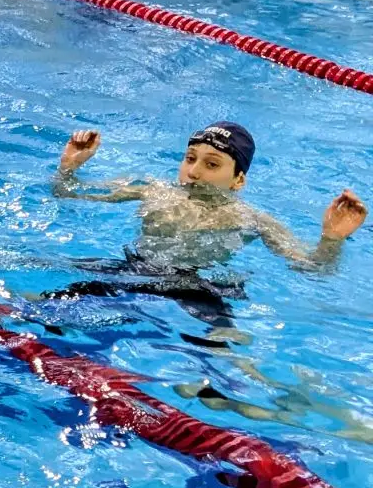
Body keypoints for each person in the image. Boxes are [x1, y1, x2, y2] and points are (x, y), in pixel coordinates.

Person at [49, 123, 366, 335]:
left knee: (227, 355)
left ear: (238, 180)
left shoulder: (251, 219)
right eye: (190, 159)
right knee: (45, 304)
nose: (194, 172)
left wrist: (331, 239)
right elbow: (68, 194)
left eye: (212, 164)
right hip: (133, 270)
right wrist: (68, 169)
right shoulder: (150, 190)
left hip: (195, 288)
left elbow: (312, 268)